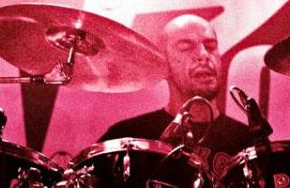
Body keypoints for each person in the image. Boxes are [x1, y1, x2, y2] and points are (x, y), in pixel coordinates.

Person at [98, 14, 255, 174]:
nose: (204, 55)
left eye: (211, 46)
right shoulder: (127, 139)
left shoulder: (250, 144)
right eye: (186, 47)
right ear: (164, 62)